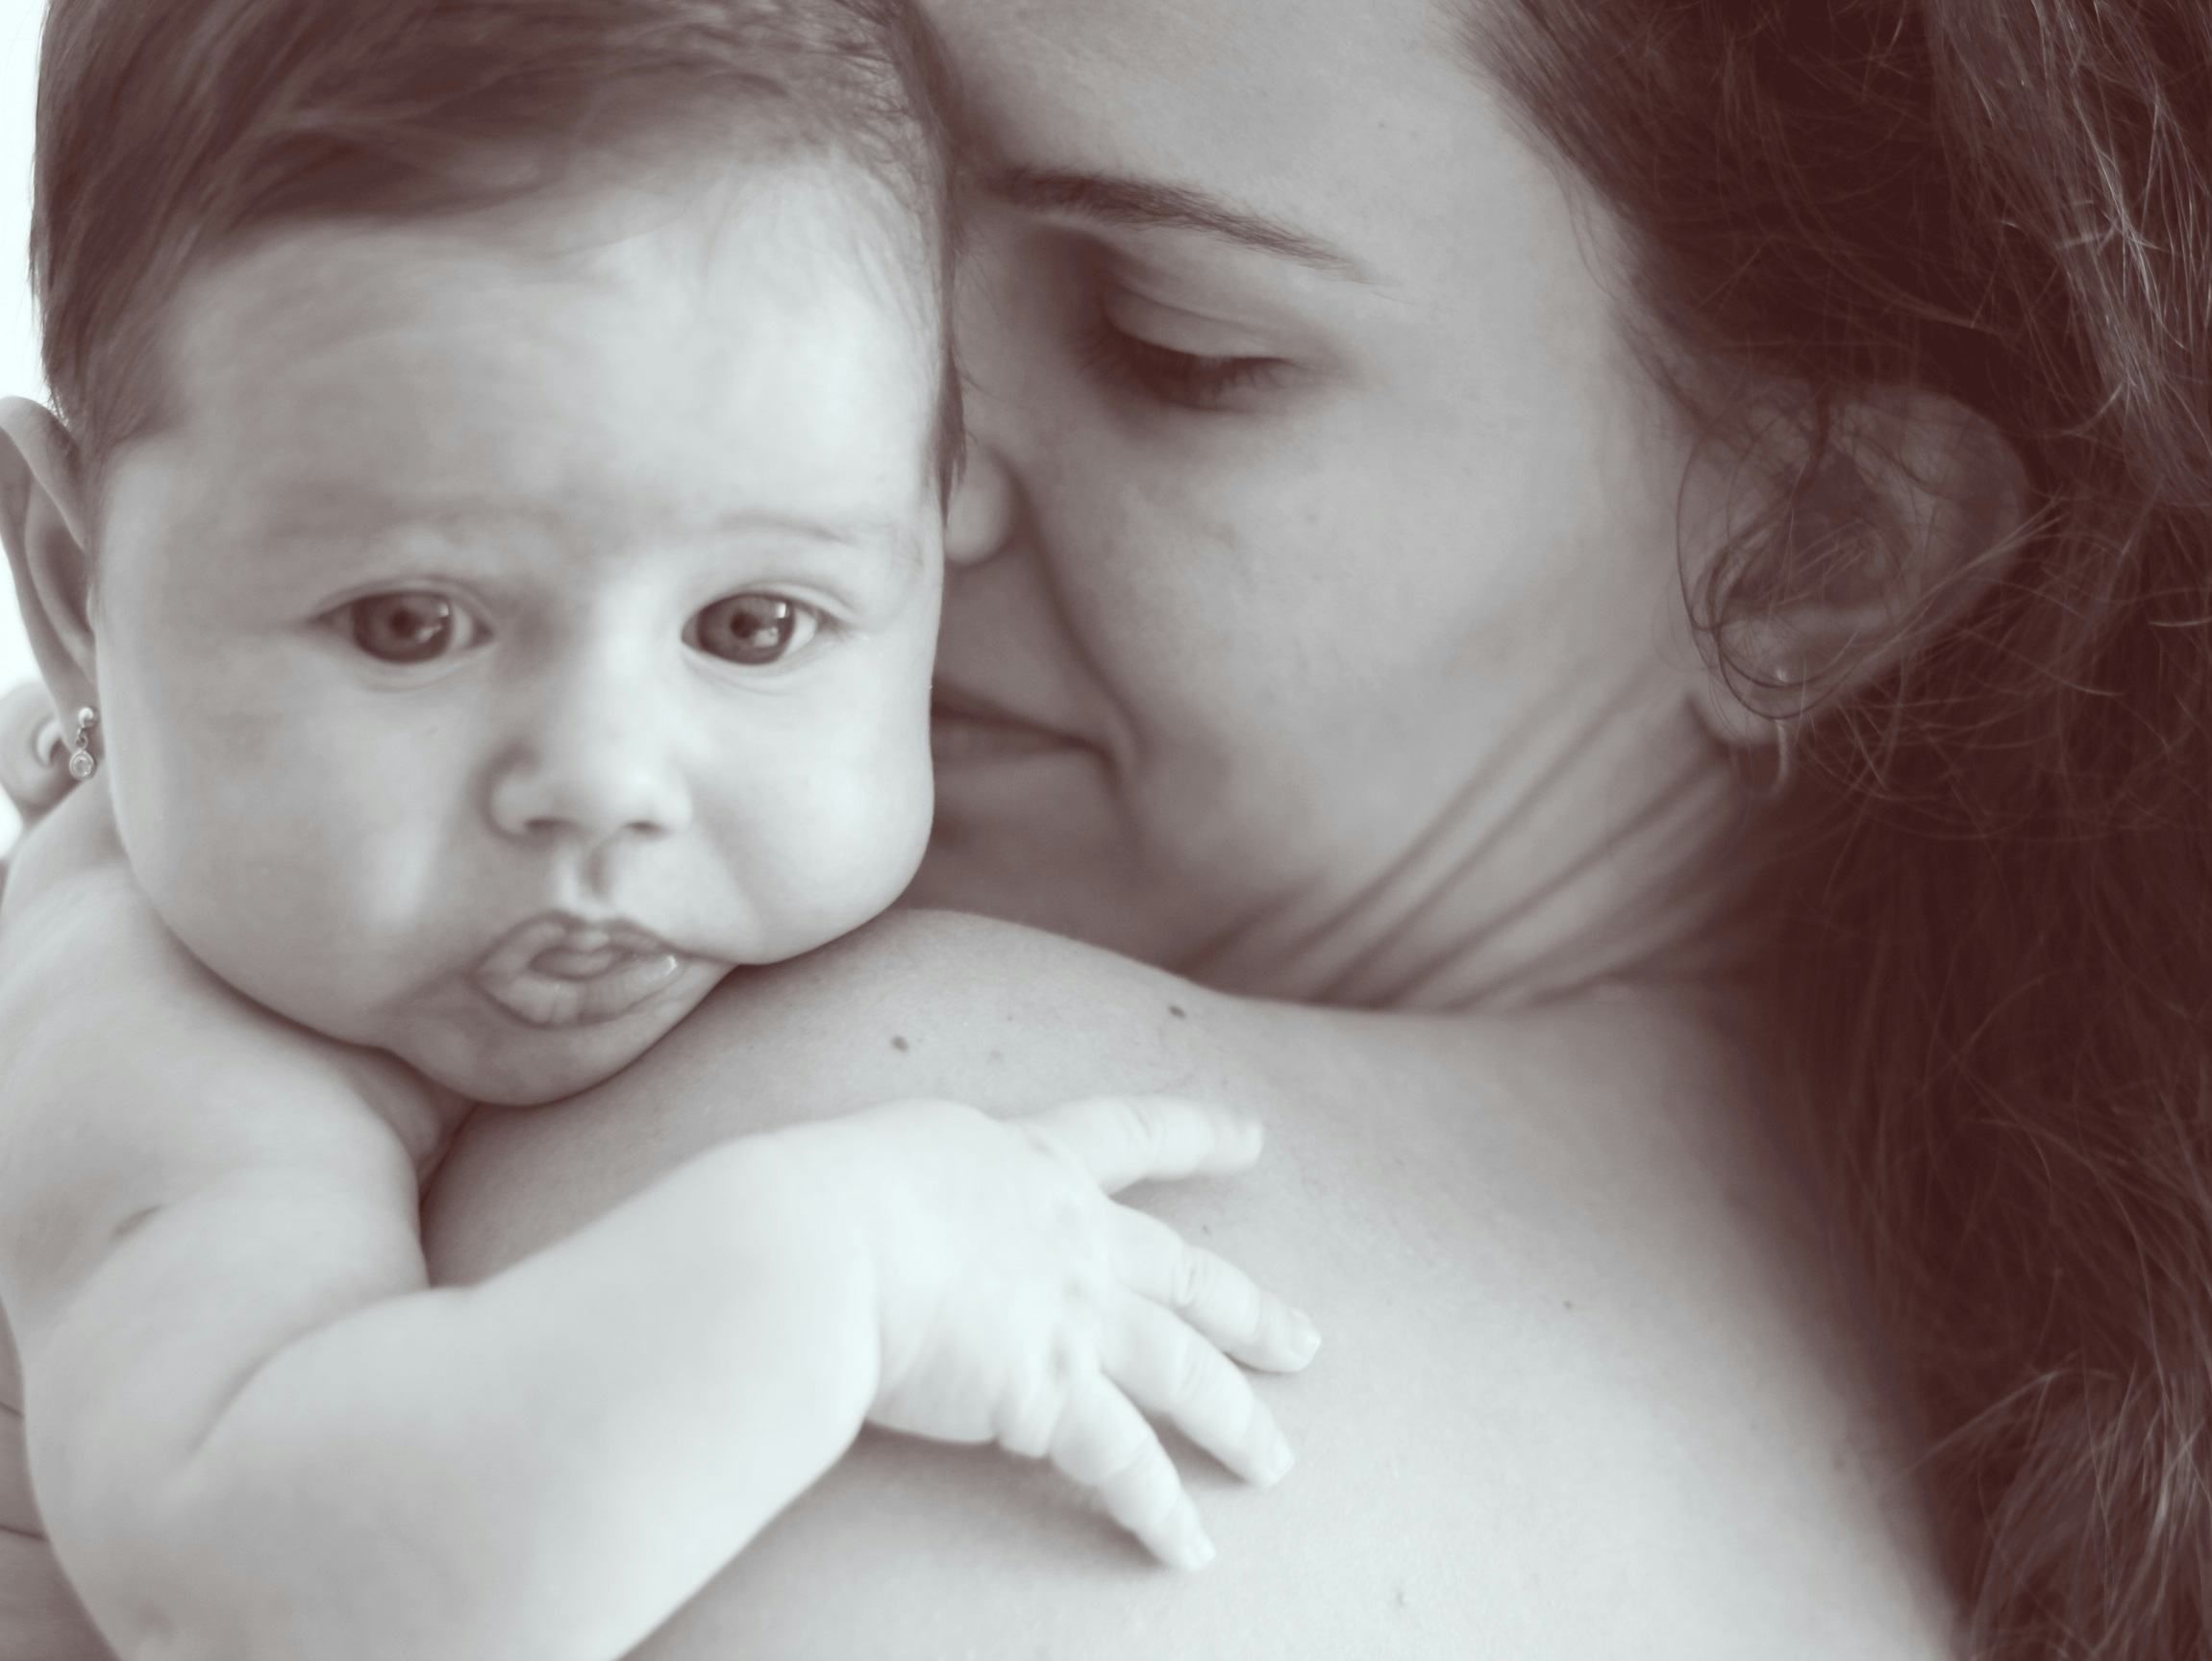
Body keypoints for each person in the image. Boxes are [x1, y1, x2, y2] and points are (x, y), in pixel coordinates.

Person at [7, 0, 2212, 1655]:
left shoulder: (838, 1182)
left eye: (1173, 348)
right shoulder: (2107, 1431)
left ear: (1820, 551)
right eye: (870, 242)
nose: (883, 474)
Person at [0, 4, 1317, 1657]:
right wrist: (848, 1274)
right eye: (410, 624)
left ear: (937, 541)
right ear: (80, 589)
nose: (605, 778)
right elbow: (252, 1594)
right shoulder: (156, 1045)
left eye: (753, 626)